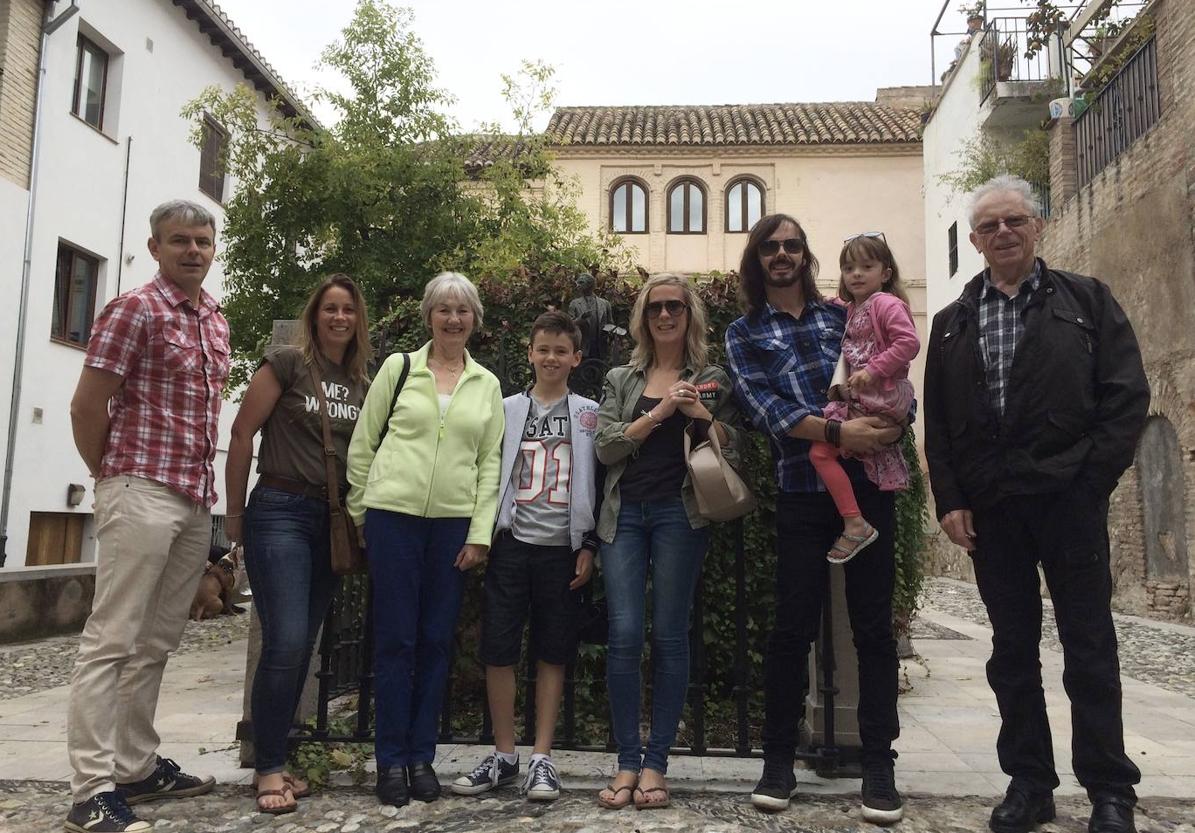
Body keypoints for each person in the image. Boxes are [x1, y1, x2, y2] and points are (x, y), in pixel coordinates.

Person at [924, 175, 1148, 833]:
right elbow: (938, 424)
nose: (1002, 233)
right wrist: (951, 499)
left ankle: (1110, 789)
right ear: (973, 240)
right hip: (993, 509)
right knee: (1011, 650)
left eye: (1013, 221)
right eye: (988, 225)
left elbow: (1124, 397)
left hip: (1067, 499)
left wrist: (1089, 483)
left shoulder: (1085, 301)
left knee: (1088, 644)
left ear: (1036, 226)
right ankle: (1028, 781)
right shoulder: (949, 325)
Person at [724, 214, 905, 824]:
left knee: (874, 628)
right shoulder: (743, 332)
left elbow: (892, 367)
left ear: (805, 255)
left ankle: (879, 763)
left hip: (870, 483)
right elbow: (764, 408)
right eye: (770, 247)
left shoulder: (844, 315)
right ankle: (778, 760)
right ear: (758, 259)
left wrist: (895, 422)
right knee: (790, 627)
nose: (782, 254)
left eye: (792, 245)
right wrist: (835, 430)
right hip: (802, 489)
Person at [65, 200, 229, 833]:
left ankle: (134, 766)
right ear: (156, 247)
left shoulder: (213, 318)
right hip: (140, 486)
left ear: (213, 249)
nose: (192, 250)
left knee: (157, 640)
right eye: (180, 241)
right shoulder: (133, 309)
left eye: (202, 241)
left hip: (192, 497)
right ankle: (90, 788)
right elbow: (87, 407)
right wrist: (109, 478)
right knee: (112, 639)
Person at [346, 272, 504, 808]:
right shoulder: (400, 368)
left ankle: (421, 757)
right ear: (429, 316)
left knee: (436, 642)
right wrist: (361, 512)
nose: (453, 319)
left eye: (462, 310)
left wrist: (480, 534)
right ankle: (390, 760)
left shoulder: (486, 384)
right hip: (392, 518)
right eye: (444, 309)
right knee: (395, 641)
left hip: (453, 527)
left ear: (474, 319)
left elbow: (489, 466)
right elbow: (365, 442)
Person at [224, 274, 372, 814]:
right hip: (280, 510)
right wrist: (234, 516)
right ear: (315, 315)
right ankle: (267, 767)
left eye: (348, 311)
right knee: (285, 641)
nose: (339, 318)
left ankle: (278, 759)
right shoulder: (287, 363)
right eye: (330, 309)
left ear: (359, 321)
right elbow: (242, 434)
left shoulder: (363, 380)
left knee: (302, 646)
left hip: (329, 522)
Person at [594, 273, 741, 811]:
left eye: (674, 306)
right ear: (643, 316)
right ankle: (627, 761)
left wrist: (698, 414)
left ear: (689, 314)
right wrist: (659, 413)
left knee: (670, 636)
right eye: (655, 307)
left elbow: (734, 445)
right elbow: (606, 447)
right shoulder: (619, 377)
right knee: (626, 634)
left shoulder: (711, 377)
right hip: (624, 515)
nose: (664, 315)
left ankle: (656, 764)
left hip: (681, 514)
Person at [451, 311, 600, 802]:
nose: (551, 358)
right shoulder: (507, 407)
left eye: (561, 350)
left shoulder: (589, 413)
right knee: (499, 647)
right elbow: (485, 468)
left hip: (562, 548)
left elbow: (601, 485)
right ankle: (504, 753)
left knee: (553, 650)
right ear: (530, 353)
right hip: (513, 545)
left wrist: (590, 544)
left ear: (576, 358)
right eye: (543, 349)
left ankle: (542, 756)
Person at [809, 233, 920, 564]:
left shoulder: (887, 303)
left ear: (885, 272)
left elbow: (908, 343)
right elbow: (852, 313)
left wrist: (872, 370)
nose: (855, 274)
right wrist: (831, 302)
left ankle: (855, 522)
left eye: (866, 266)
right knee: (831, 452)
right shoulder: (859, 306)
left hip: (879, 395)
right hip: (869, 396)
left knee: (820, 452)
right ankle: (854, 520)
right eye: (848, 267)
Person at [568, 273, 613, 361]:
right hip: (583, 347)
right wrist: (580, 319)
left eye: (581, 283)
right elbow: (569, 325)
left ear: (590, 284)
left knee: (599, 372)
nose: (578, 285)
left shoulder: (605, 304)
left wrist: (612, 333)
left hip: (600, 348)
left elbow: (610, 323)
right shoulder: (574, 304)